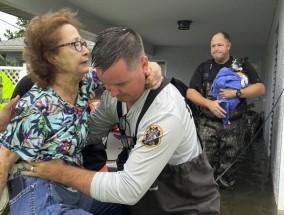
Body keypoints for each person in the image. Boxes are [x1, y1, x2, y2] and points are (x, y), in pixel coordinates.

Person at [21, 27, 220, 215]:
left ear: (144, 65)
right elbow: (87, 134)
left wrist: (60, 172)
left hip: (185, 206)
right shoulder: (114, 95)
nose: (113, 93)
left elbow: (128, 189)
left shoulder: (165, 111)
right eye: (106, 84)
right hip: (147, 200)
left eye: (121, 84)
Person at [0, 9, 162, 215]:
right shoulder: (37, 104)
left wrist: (152, 67)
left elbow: (128, 69)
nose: (85, 50)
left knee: (125, 206)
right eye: (74, 45)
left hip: (71, 188)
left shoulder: (84, 83)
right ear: (52, 57)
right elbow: (3, 160)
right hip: (38, 191)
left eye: (83, 43)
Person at [187, 31, 266, 189]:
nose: (216, 48)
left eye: (220, 45)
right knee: (204, 163)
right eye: (213, 46)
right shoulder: (204, 68)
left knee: (229, 167)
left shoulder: (242, 66)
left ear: (228, 46)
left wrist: (237, 92)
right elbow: (190, 92)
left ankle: (226, 199)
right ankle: (204, 197)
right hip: (208, 124)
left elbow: (260, 89)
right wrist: (208, 104)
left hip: (234, 126)